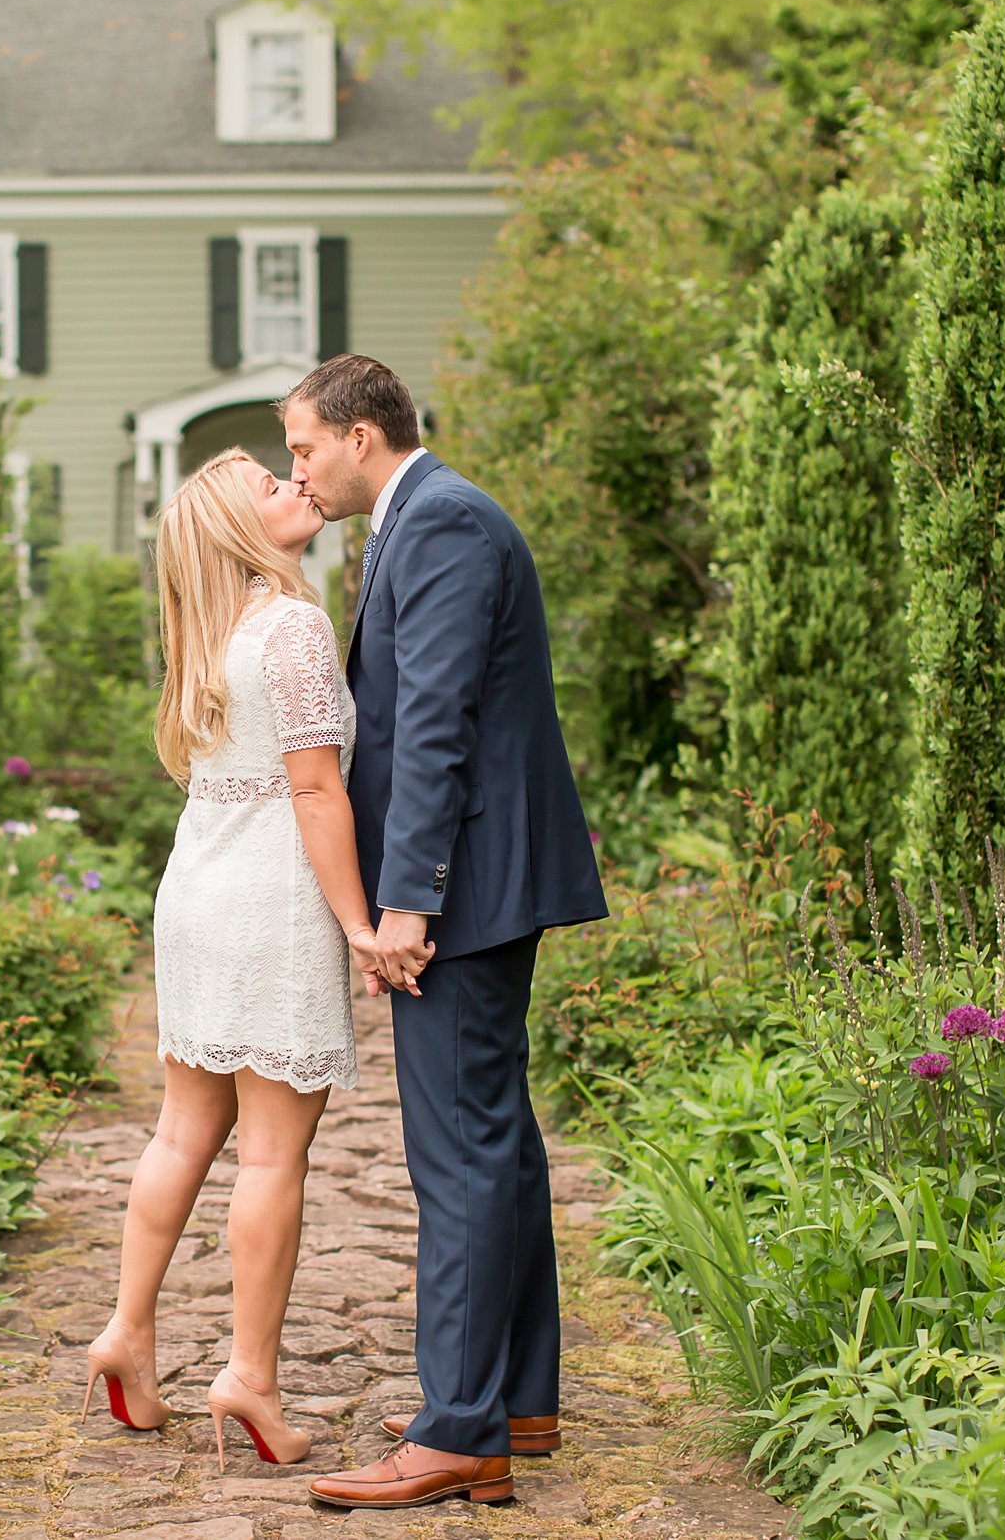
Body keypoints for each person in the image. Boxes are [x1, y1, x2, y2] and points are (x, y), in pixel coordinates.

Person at [283, 354, 607, 1511]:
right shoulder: (421, 519)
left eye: (304, 446)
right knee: (496, 1139)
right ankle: (516, 1394)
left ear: (361, 435)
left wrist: (405, 900)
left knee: (459, 1151)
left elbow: (434, 724)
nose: (298, 468)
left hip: (461, 885)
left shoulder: (445, 525)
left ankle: (460, 1426)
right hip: (475, 876)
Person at [82, 449, 381, 1473]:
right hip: (269, 895)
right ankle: (250, 1373)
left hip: (196, 887)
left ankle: (127, 1331)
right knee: (267, 1153)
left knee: (180, 1131)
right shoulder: (291, 627)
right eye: (268, 482)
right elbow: (314, 791)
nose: (292, 484)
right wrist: (359, 923)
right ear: (236, 529)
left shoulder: (210, 634)